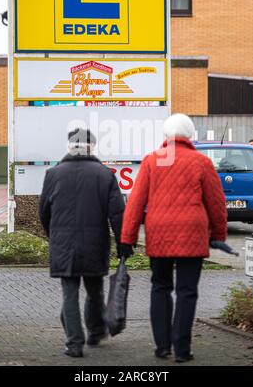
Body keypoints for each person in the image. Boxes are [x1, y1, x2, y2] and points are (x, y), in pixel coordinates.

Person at [119, 113, 228, 362]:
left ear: (166, 135)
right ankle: (182, 349)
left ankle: (162, 346)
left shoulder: (151, 161)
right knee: (187, 291)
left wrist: (128, 237)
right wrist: (218, 234)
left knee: (160, 287)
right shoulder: (201, 162)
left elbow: (136, 202)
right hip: (192, 234)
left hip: (159, 234)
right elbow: (216, 202)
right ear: (189, 135)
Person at [39, 128, 125, 358]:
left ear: (69, 146)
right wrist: (123, 242)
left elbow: (43, 212)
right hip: (95, 243)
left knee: (69, 294)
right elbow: (117, 213)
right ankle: (95, 331)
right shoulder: (104, 174)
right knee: (95, 291)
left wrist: (54, 235)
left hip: (63, 244)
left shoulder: (53, 173)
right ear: (92, 147)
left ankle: (74, 343)